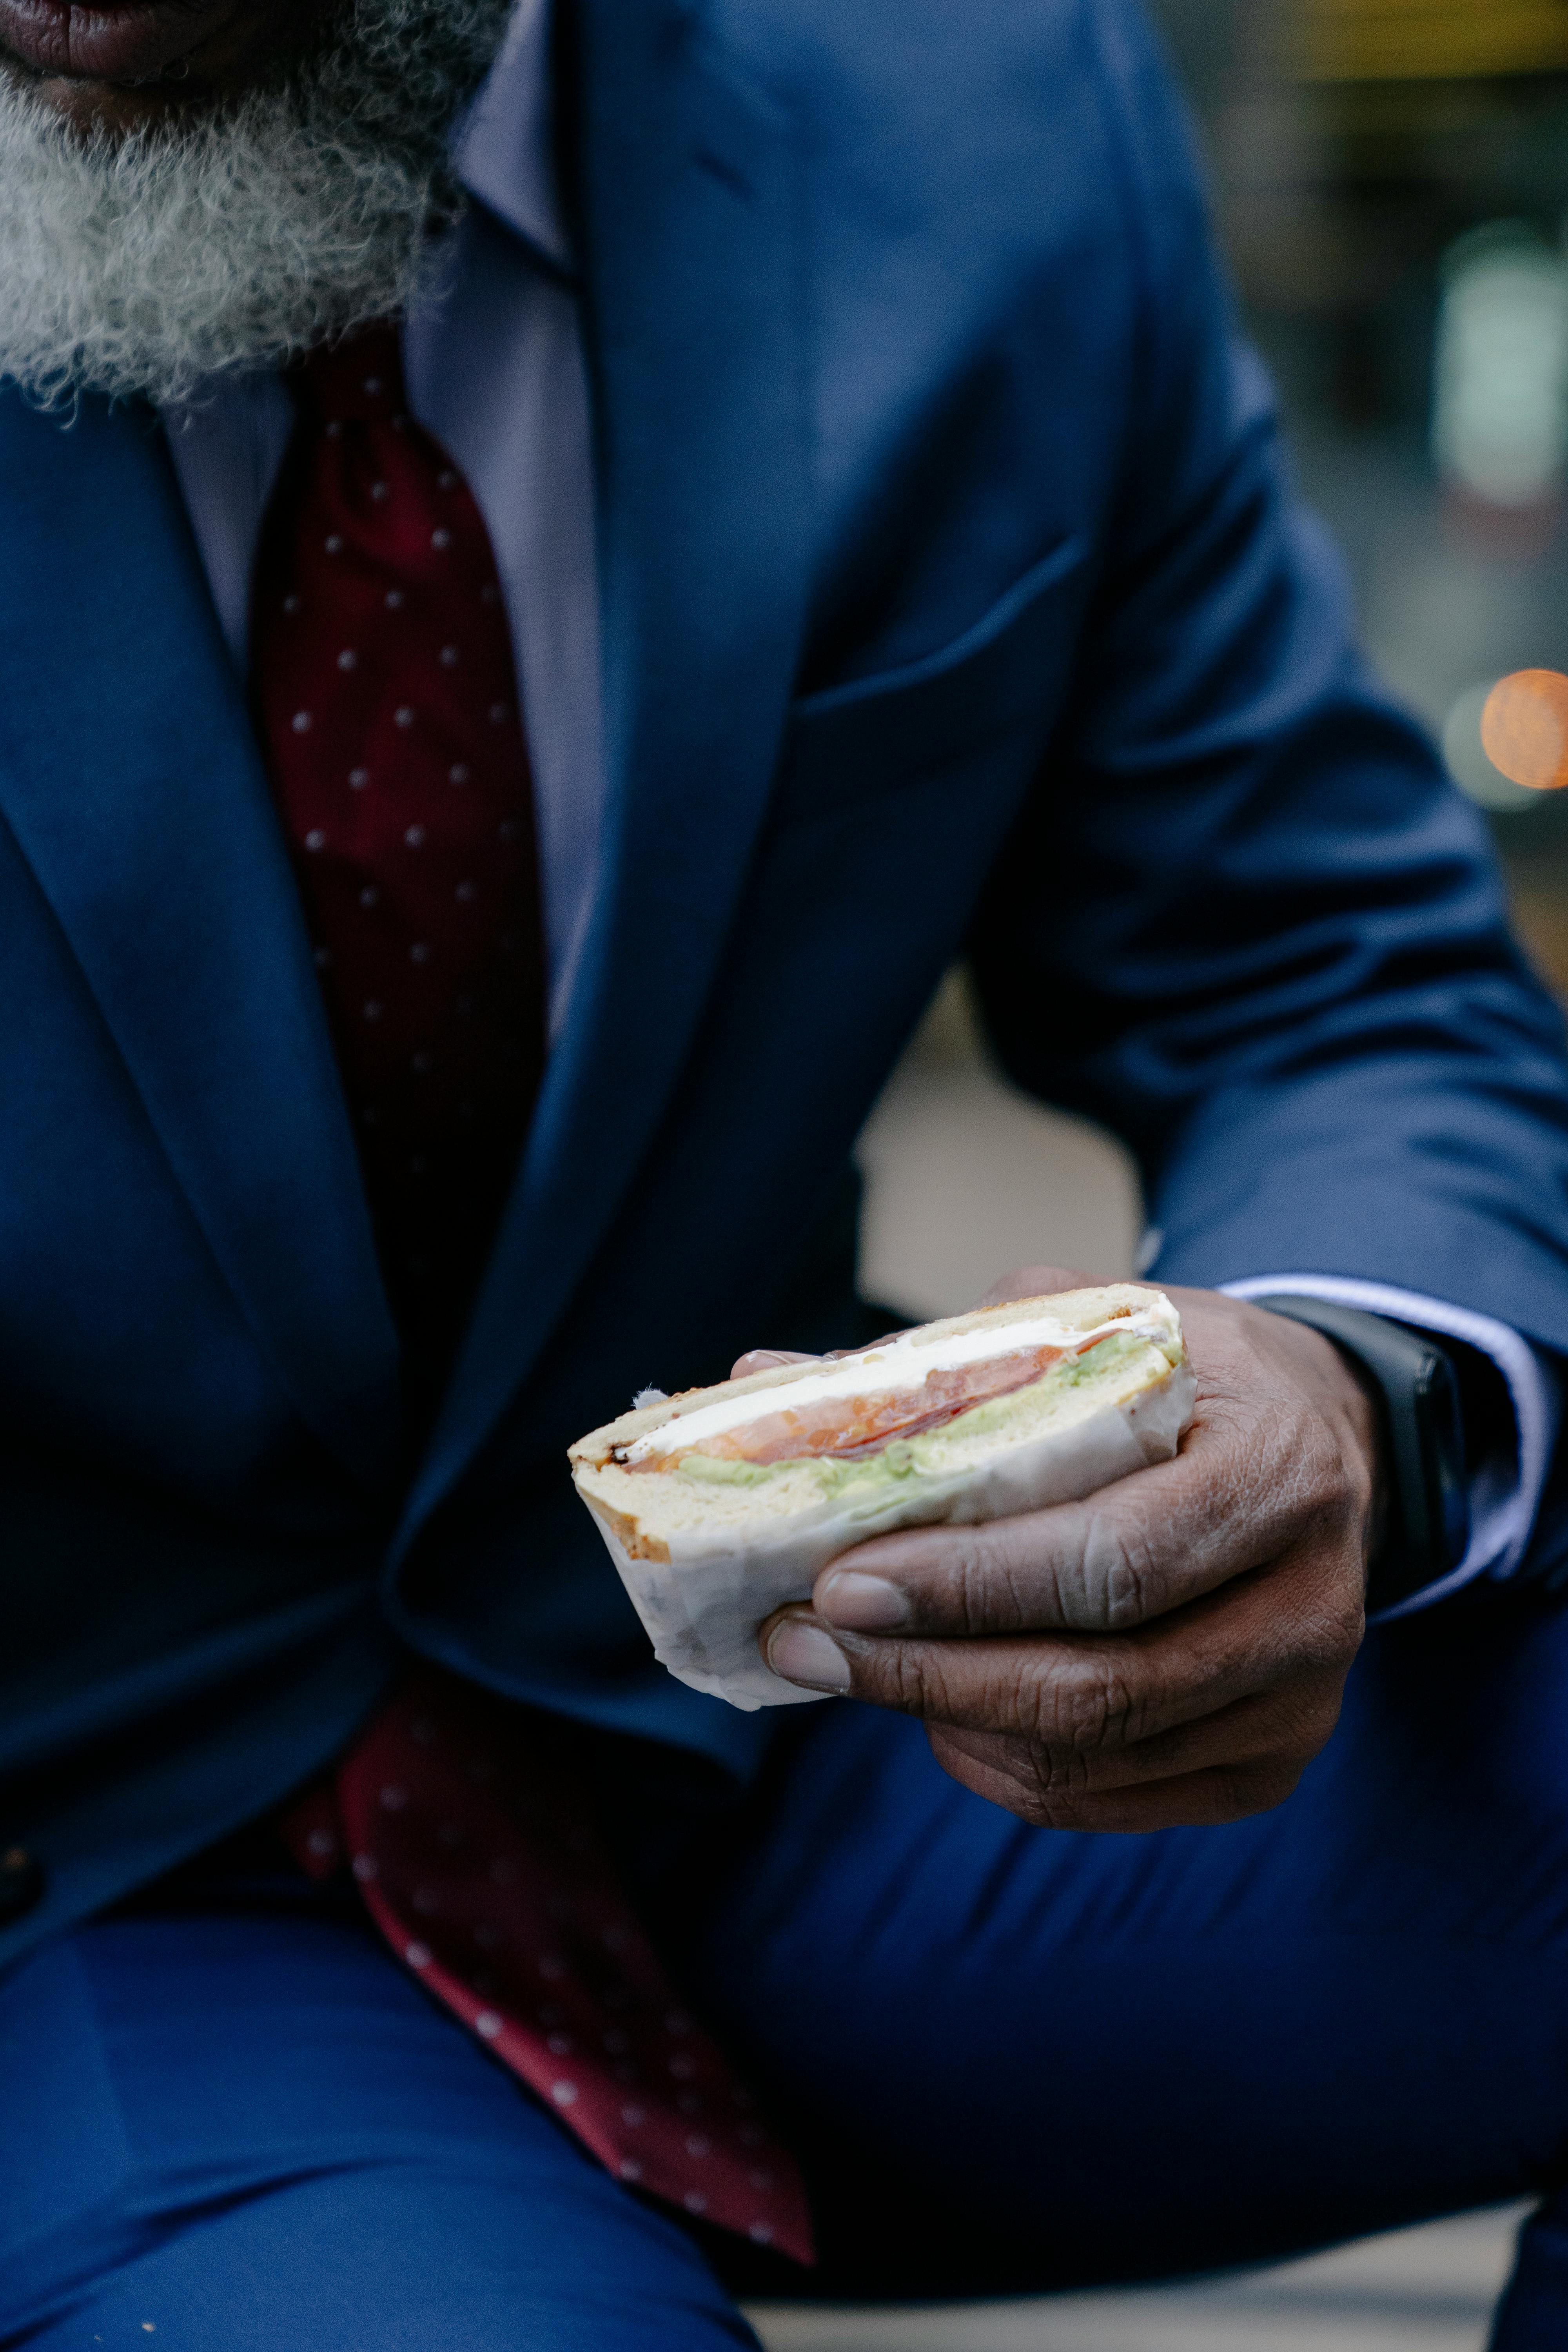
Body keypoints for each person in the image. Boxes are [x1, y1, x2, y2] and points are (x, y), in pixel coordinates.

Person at [2, 0, 1567, 2342]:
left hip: (803, 1750)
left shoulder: (983, 101)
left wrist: (1356, 1394)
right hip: (101, 1891)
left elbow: (1324, 972)